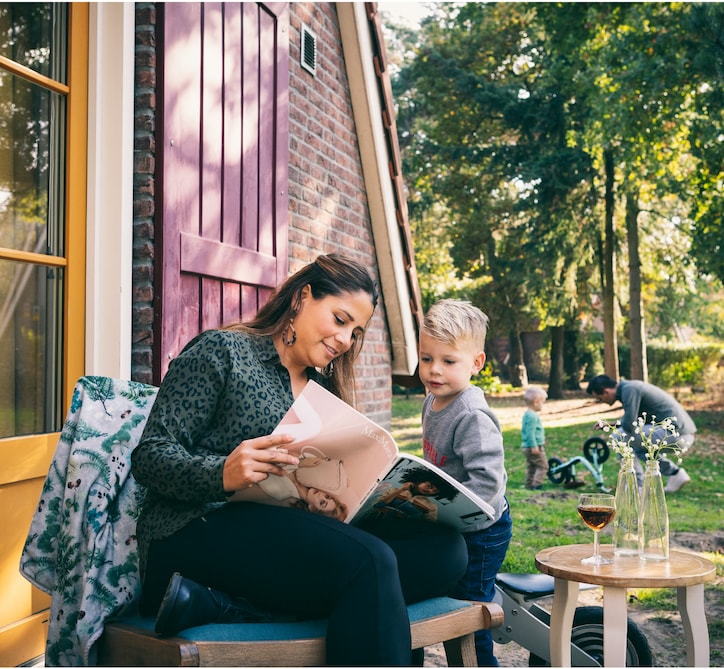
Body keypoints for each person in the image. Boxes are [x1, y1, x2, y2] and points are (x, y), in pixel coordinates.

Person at [130, 254, 469, 666]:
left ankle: (238, 607)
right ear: (303, 297)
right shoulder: (223, 351)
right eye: (340, 320)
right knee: (370, 562)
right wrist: (222, 472)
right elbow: (149, 455)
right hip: (196, 528)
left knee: (446, 550)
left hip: (284, 532)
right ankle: (271, 601)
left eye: (355, 331)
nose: (346, 340)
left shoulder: (321, 390)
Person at [417, 299, 512, 667]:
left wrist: (441, 509)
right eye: (427, 358)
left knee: (469, 615)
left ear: (476, 363)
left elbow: (487, 486)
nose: (434, 370)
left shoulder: (472, 414)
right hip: (451, 521)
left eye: (448, 361)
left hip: (482, 530)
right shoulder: (433, 400)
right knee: (446, 600)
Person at [586, 374, 695, 492]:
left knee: (619, 437)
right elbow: (635, 422)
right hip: (683, 434)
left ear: (606, 392)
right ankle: (675, 474)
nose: (602, 402)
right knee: (638, 448)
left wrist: (616, 426)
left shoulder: (629, 390)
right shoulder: (629, 387)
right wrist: (614, 424)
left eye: (600, 398)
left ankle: (637, 486)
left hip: (677, 434)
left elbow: (629, 426)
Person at [521, 386, 549, 490]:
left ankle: (529, 484)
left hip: (527, 446)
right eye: (543, 402)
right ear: (536, 402)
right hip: (533, 447)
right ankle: (536, 485)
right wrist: (534, 446)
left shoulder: (528, 414)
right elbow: (530, 433)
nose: (543, 404)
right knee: (543, 466)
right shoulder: (532, 416)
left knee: (531, 466)